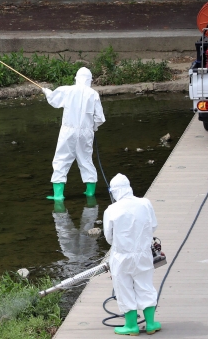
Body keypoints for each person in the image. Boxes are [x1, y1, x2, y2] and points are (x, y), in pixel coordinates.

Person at [103, 173, 161, 336]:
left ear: (114, 191)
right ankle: (151, 324)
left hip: (121, 257)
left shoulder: (111, 210)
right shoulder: (145, 203)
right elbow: (153, 226)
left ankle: (131, 326)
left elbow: (109, 237)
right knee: (145, 285)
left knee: (124, 288)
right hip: (143, 254)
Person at [42, 67, 105, 201]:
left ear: (76, 78)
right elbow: (100, 118)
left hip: (68, 131)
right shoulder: (93, 94)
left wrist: (47, 92)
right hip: (86, 132)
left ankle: (58, 195)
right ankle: (90, 193)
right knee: (86, 160)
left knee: (61, 159)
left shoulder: (67, 90)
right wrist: (93, 127)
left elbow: (54, 100)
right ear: (89, 80)